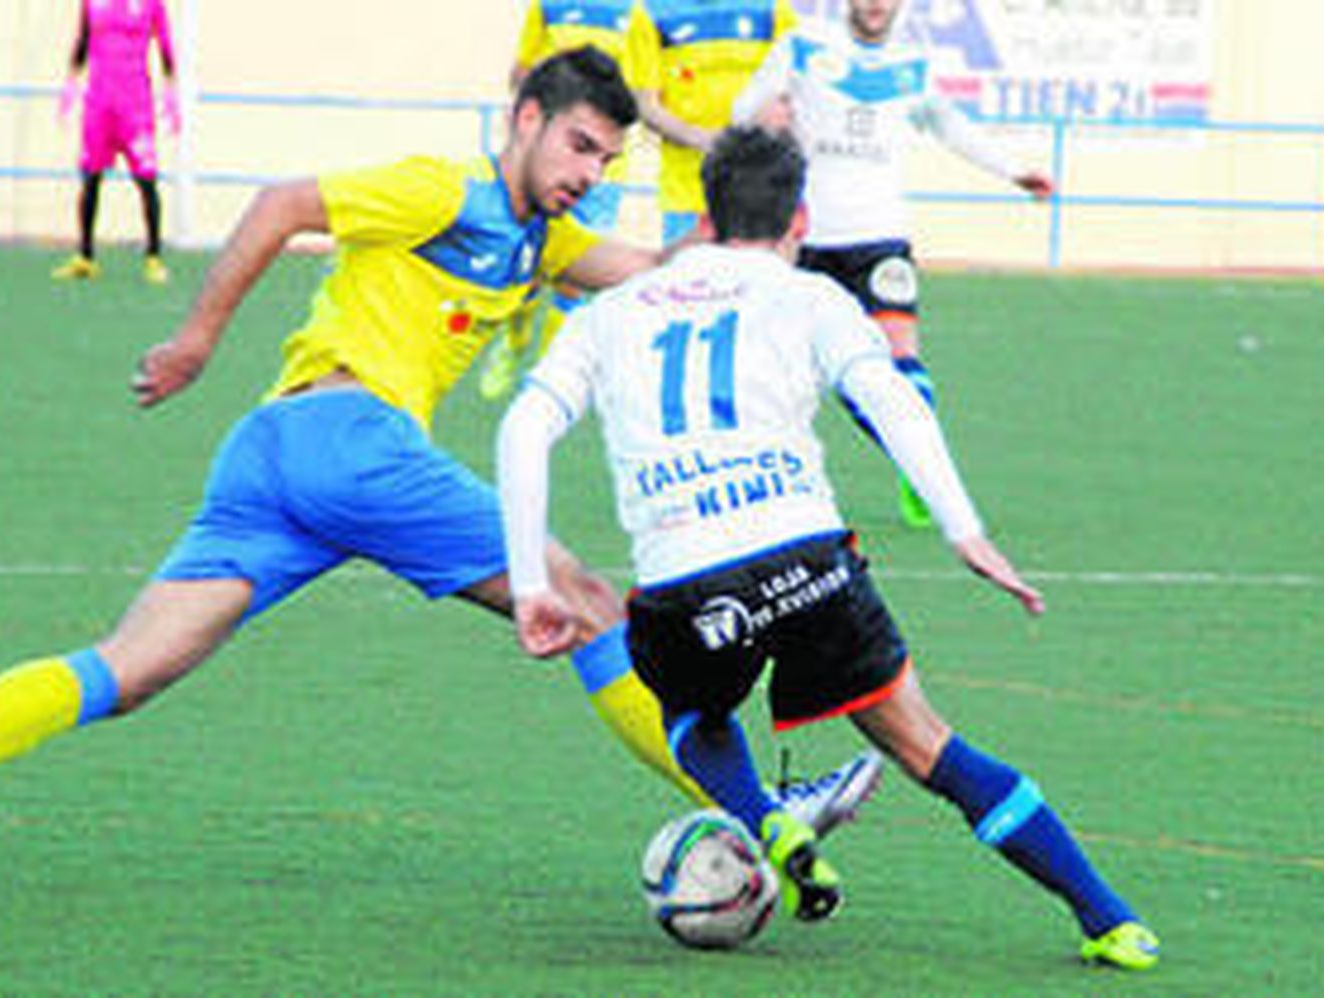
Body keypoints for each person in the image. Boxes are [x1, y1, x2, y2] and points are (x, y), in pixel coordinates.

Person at [0, 49, 871, 904]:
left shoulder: (541, 237)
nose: (588, 169)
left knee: (130, 667)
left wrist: (741, 237)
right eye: (577, 144)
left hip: (274, 459)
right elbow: (285, 202)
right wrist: (198, 335)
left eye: (605, 156)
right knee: (589, 602)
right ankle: (768, 819)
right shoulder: (441, 190)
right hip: (350, 444)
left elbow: (651, 274)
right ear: (525, 118)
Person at [496, 124, 1159, 967]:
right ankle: (1109, 920)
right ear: (799, 219)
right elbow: (891, 396)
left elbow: (524, 428)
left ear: (706, 215)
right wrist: (966, 529)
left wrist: (529, 584)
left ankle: (766, 820)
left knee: (694, 718)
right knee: (929, 746)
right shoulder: (812, 298)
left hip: (683, 579)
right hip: (808, 559)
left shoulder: (611, 312)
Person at [732, 0, 1054, 527]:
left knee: (902, 361)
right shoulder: (804, 48)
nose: (877, 5)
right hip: (808, 240)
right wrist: (765, 118)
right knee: (809, 374)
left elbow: (953, 128)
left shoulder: (915, 67)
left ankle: (918, 470)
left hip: (881, 239)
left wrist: (1015, 171)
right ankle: (778, 481)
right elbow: (743, 112)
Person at [479, 0, 639, 401]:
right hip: (554, 160)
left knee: (572, 276)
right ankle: (514, 342)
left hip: (603, 176)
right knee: (527, 262)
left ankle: (546, 367)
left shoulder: (638, 12)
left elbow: (641, 89)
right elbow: (521, 70)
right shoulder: (549, 6)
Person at [626, 0, 798, 245]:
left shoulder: (773, 8)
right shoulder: (649, 13)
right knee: (690, 280)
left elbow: (793, 88)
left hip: (762, 189)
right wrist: (704, 139)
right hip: (687, 195)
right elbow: (645, 104)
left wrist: (752, 137)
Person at [51, 0, 181, 285]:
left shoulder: (151, 4)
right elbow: (82, 40)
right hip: (99, 101)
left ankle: (154, 256)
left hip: (135, 103)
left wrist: (171, 92)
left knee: (146, 181)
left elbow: (166, 46)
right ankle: (85, 256)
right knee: (90, 178)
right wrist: (70, 85)